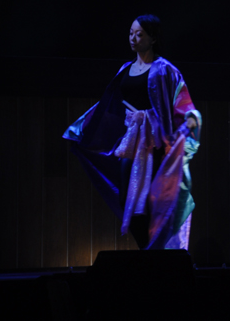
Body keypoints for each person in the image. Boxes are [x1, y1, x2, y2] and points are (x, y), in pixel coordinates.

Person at [63, 15, 201, 249]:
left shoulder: (164, 69)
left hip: (156, 141)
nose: (133, 38)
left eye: (139, 34)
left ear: (153, 38)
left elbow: (181, 101)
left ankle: (155, 252)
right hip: (133, 140)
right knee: (126, 197)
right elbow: (109, 105)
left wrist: (189, 119)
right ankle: (147, 249)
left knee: (153, 201)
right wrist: (82, 127)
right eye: (131, 33)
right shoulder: (126, 69)